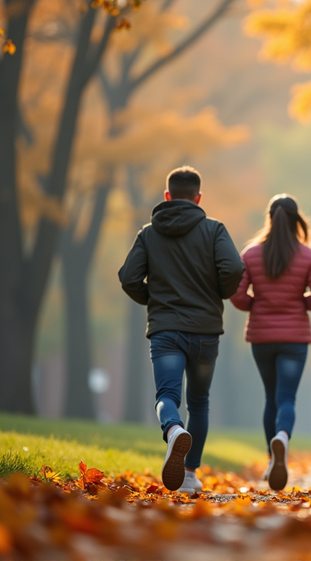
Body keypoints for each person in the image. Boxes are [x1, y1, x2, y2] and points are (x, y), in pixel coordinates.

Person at [118, 166, 244, 494]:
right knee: (199, 402)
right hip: (205, 330)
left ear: (167, 196)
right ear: (198, 197)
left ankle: (173, 430)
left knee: (167, 396)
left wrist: (153, 301)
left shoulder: (148, 234)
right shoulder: (214, 230)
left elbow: (128, 277)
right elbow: (233, 268)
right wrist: (220, 293)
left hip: (165, 329)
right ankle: (189, 475)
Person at [230, 194, 311, 491]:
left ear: (270, 219)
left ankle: (271, 459)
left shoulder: (250, 254)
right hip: (294, 337)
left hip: (261, 336)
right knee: (287, 397)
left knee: (270, 396)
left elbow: (236, 295)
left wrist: (258, 306)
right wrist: (300, 303)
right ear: (296, 220)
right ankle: (282, 439)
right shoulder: (308, 256)